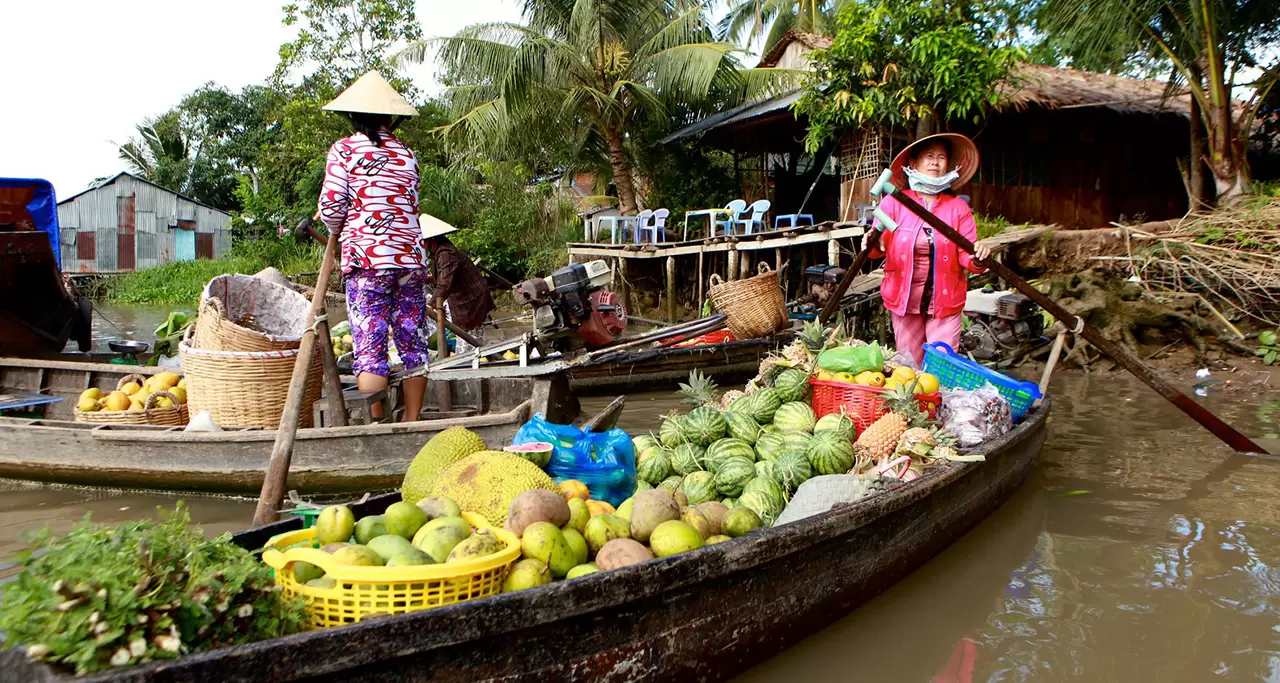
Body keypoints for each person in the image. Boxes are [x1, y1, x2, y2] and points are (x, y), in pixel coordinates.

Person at [317, 71, 428, 421]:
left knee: (370, 347)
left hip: (367, 263)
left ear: (353, 116)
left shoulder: (344, 149)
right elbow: (410, 203)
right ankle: (412, 420)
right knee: (413, 343)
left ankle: (376, 421)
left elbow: (332, 209)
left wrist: (338, 229)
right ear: (388, 117)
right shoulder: (407, 154)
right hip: (410, 259)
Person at [863, 133, 992, 368]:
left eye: (941, 157)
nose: (935, 162)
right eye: (929, 156)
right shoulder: (894, 202)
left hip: (945, 302)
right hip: (904, 300)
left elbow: (967, 256)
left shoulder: (958, 208)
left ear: (947, 167)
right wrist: (871, 241)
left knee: (941, 369)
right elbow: (875, 250)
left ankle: (937, 405)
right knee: (908, 368)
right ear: (913, 164)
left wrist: (979, 257)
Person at [420, 214, 495, 355]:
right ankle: (469, 362)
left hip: (471, 300)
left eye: (423, 241)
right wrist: (426, 278)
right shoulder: (438, 252)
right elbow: (442, 277)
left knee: (469, 341)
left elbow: (445, 283)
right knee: (465, 338)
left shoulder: (446, 253)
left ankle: (470, 366)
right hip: (463, 299)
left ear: (431, 240)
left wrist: (430, 305)